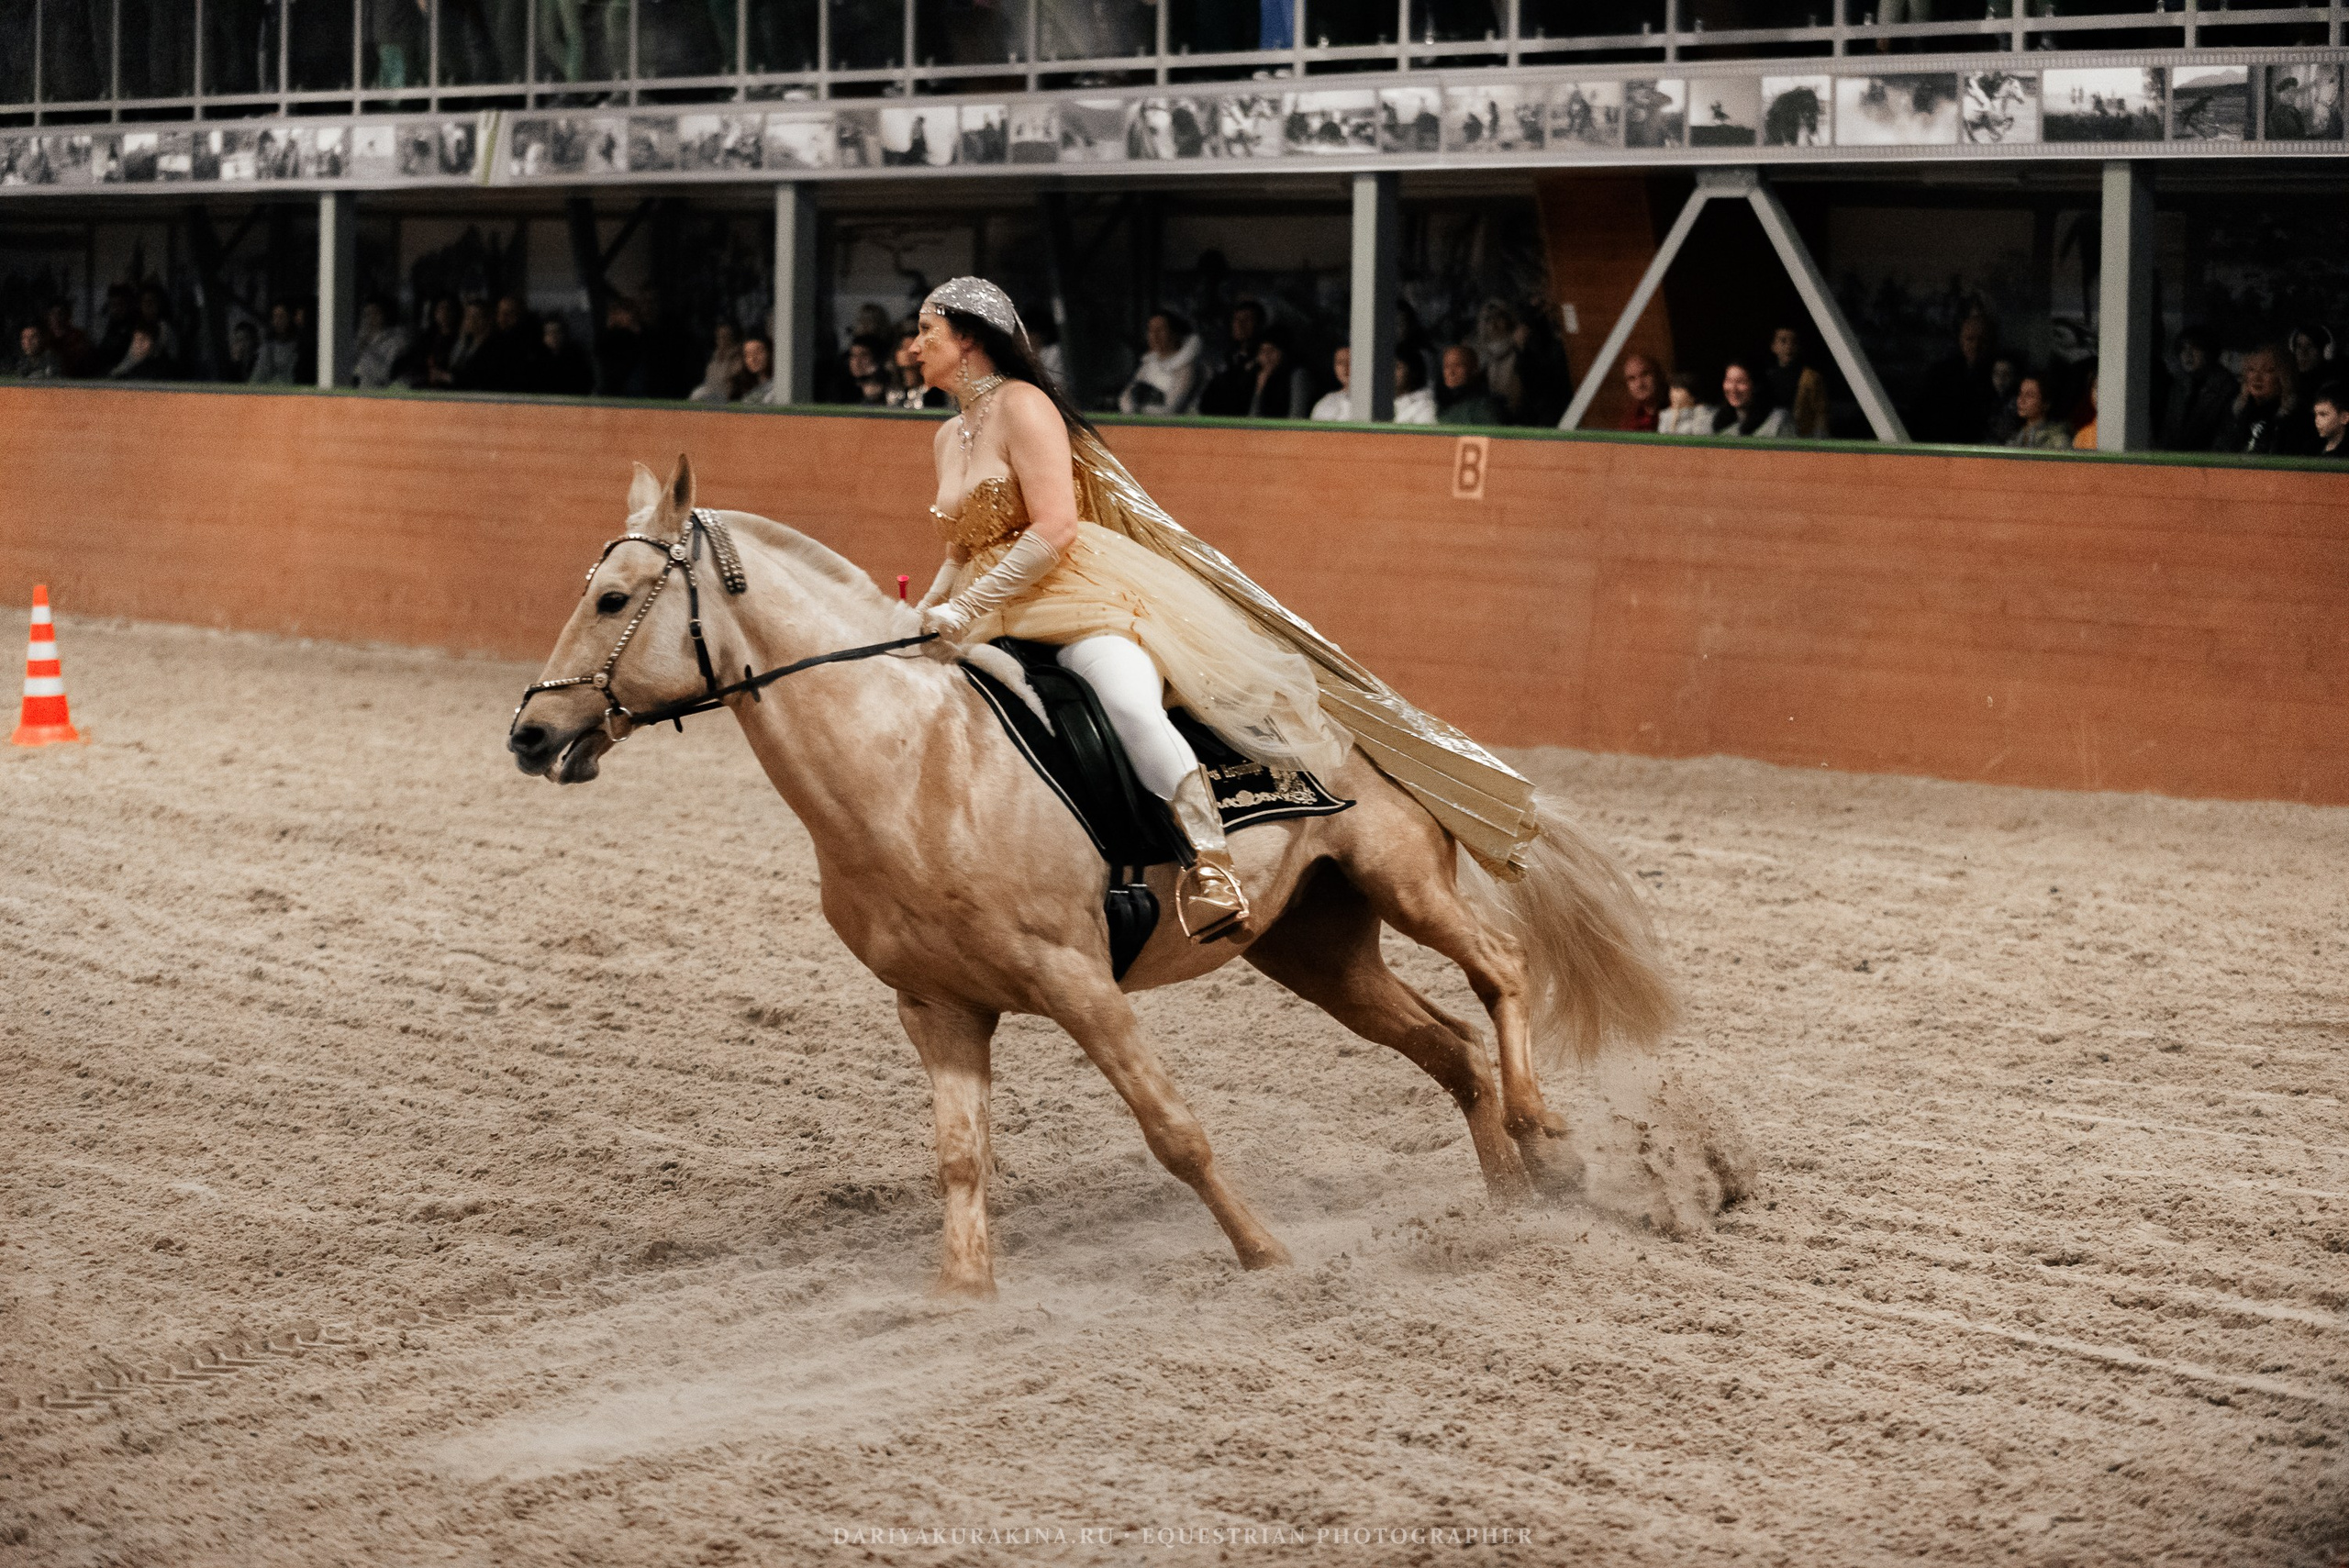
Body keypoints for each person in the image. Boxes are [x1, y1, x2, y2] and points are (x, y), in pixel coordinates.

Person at [903, 275, 1537, 941]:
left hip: (1073, 593)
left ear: (969, 339)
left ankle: (1211, 863)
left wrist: (969, 600)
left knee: (1126, 702)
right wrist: (930, 607)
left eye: (927, 331)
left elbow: (1056, 525)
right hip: (986, 606)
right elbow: (961, 547)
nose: (915, 346)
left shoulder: (1024, 405)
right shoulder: (947, 436)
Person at [1913, 309, 1999, 443]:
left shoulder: (2000, 375)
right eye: (1970, 339)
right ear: (1961, 340)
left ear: (1992, 343)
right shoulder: (1939, 373)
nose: (1975, 346)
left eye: (1983, 340)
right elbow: (1922, 414)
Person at [2220, 345, 2314, 456]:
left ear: (2284, 376)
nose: (2257, 378)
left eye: (2268, 370)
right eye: (2251, 369)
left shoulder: (2296, 419)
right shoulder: (2236, 414)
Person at [2159, 328, 2236, 453]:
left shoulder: (2226, 386)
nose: (2188, 354)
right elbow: (2169, 430)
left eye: (2195, 348)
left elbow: (2225, 433)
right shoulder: (2180, 385)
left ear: (2209, 352)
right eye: (2183, 349)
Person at [1118, 310, 1202, 416]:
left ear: (1174, 333)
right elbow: (1127, 396)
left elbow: (1173, 406)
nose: (1155, 335)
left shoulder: (1186, 366)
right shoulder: (1149, 363)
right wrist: (1132, 410)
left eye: (1160, 330)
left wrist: (1142, 410)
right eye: (1151, 330)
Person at [1195, 299, 1266, 417]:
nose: (1240, 324)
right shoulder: (1226, 358)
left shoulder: (1264, 359)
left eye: (1247, 320)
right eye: (1236, 319)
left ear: (1259, 324)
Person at [1766, 325, 1830, 438]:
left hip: (1801, 438)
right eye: (1783, 341)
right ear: (1773, 346)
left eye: (1793, 342)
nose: (1789, 347)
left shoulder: (1811, 378)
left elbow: (1821, 412)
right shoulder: (1767, 377)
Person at [1245, 328, 1313, 419]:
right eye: (1262, 351)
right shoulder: (1256, 376)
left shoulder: (1297, 375)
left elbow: (1297, 416)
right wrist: (1260, 388)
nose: (1266, 356)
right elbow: (1251, 421)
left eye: (1272, 350)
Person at [1712, 359, 1790, 438]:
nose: (1733, 388)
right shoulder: (1720, 422)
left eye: (1741, 382)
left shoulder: (1778, 420)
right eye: (1729, 381)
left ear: (1756, 386)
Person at [352, 300, 414, 389]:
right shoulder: (361, 337)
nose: (371, 318)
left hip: (381, 393)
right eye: (367, 314)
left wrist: (366, 349)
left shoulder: (397, 340)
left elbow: (385, 374)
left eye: (375, 313)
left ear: (385, 314)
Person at [1436, 345, 1499, 426]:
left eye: (1458, 366)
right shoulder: (1438, 403)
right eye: (1447, 366)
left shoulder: (1483, 407)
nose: (1451, 372)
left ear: (1474, 369)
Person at [2005, 373, 2070, 450]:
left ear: (2046, 403)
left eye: (2030, 395)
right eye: (2020, 393)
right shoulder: (2014, 437)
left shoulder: (2058, 440)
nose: (2021, 400)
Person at [540, 317, 596, 396]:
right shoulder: (536, 359)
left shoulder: (575, 357)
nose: (553, 336)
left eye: (557, 332)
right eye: (549, 332)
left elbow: (585, 382)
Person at [691, 322, 743, 402]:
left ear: (733, 338)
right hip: (709, 391)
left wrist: (729, 356)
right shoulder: (715, 356)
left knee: (698, 395)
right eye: (719, 337)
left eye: (726, 337)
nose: (722, 340)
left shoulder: (739, 358)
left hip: (726, 397)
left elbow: (729, 382)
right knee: (697, 393)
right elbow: (709, 379)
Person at [251, 303, 303, 384]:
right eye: (275, 317)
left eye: (282, 317)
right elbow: (256, 379)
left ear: (291, 318)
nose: (277, 321)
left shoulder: (300, 349)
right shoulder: (266, 349)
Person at [42, 303, 95, 378]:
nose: (56, 318)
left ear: (68, 316)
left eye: (60, 314)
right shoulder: (44, 338)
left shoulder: (78, 337)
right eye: (53, 314)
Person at [1655, 371, 1717, 435]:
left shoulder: (1704, 414)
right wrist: (1675, 417)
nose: (1673, 395)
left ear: (1692, 395)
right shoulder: (1666, 414)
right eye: (1672, 390)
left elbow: (1701, 435)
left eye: (1678, 390)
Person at [1614, 353, 1664, 432]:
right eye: (1632, 378)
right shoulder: (1629, 421)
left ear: (1658, 375)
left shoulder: (1677, 411)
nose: (1639, 384)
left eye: (1645, 374)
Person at [109, 325, 177, 381]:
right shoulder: (118, 370)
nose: (138, 345)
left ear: (153, 344)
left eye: (143, 340)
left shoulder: (160, 371)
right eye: (136, 340)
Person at [1984, 356, 2023, 445]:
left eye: (2006, 374)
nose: (2000, 379)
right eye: (1996, 373)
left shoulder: (2018, 403)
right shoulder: (1988, 399)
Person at [1392, 350, 1437, 425]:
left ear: (1412, 371)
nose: (1393, 372)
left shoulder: (1424, 407)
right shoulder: (1386, 402)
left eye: (1398, 367)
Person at [1308, 346, 1353, 421]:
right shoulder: (1326, 401)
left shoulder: (1371, 401)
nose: (1345, 367)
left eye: (1350, 362)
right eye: (1340, 362)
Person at [732, 334, 779, 404]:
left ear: (770, 353)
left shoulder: (779, 385)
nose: (753, 358)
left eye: (758, 352)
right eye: (748, 354)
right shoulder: (740, 386)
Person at [2311, 384, 2347, 457]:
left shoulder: (2345, 454)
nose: (2317, 420)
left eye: (2323, 414)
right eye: (2315, 415)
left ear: (2344, 418)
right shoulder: (2311, 448)